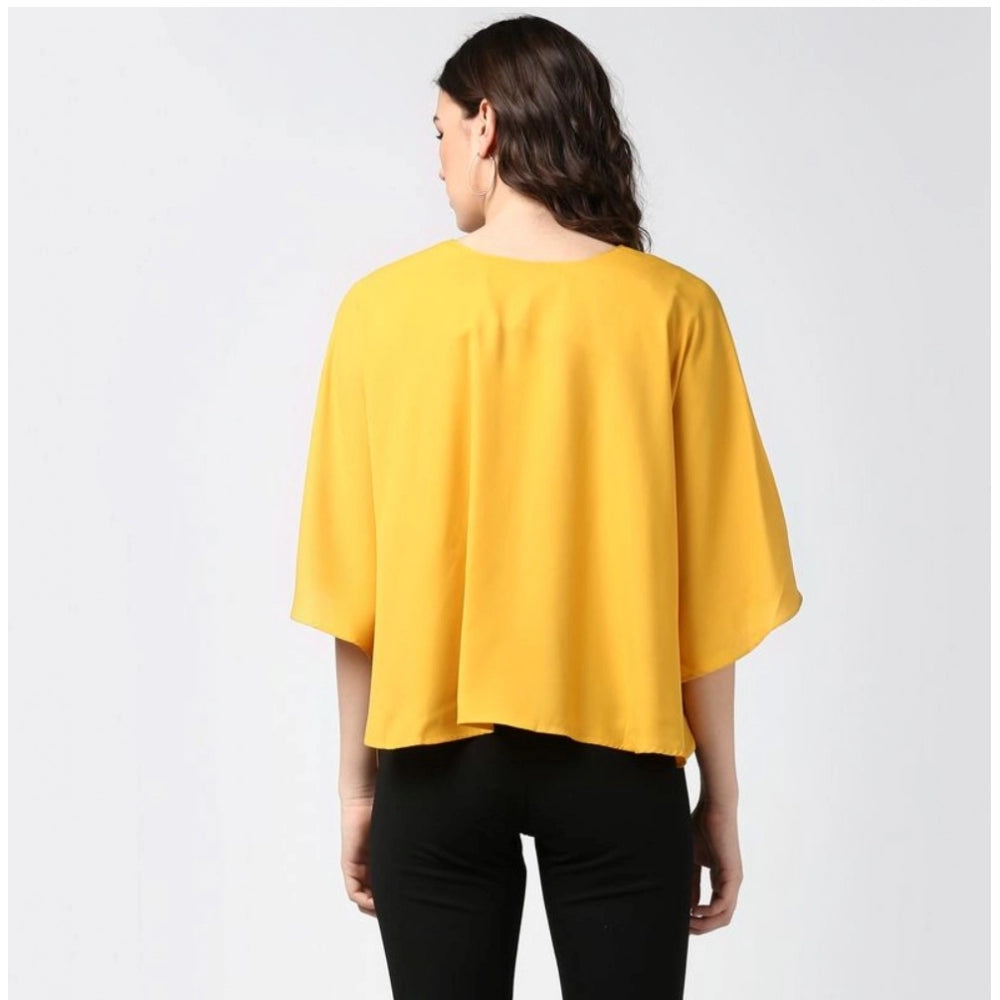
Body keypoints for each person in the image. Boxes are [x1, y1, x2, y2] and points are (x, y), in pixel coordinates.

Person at [289, 14, 803, 1000]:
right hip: (621, 764)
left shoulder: (379, 310)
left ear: (485, 125)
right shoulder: (673, 308)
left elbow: (354, 591)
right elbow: (713, 585)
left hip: (433, 764)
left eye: (441, 131)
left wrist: (357, 789)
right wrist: (720, 796)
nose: (439, 159)